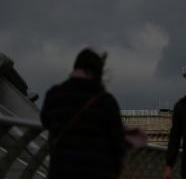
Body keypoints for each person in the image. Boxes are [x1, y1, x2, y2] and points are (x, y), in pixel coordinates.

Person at [40, 48, 126, 179]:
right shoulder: (107, 101)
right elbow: (118, 144)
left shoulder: (54, 94)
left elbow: (45, 121)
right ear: (98, 74)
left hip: (61, 170)